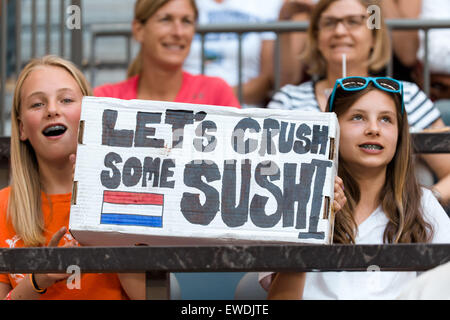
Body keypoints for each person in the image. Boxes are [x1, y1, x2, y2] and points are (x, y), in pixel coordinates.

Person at [261, 76, 450, 300]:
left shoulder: (422, 203)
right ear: (331, 129)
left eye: (386, 119)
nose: (373, 129)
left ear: (399, 136)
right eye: (358, 117)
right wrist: (312, 220)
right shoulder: (292, 198)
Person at [267, 0, 450, 208]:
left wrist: (420, 207)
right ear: (316, 38)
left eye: (353, 22)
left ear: (374, 36)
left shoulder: (405, 95)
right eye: (329, 23)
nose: (340, 30)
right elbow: (270, 172)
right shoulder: (288, 100)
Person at [0, 55, 145, 300]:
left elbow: (152, 296)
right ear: (22, 128)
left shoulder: (129, 198)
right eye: (37, 104)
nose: (52, 110)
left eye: (66, 99)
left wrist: (102, 214)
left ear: (90, 113)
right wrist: (38, 279)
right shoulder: (3, 208)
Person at [94, 0, 241, 109]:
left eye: (186, 21)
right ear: (139, 30)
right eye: (166, 19)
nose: (178, 32)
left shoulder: (216, 93)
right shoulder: (105, 99)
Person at [182, 0, 284, 107]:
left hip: (243, 110)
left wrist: (214, 97)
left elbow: (267, 80)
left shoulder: (269, 4)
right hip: (185, 104)